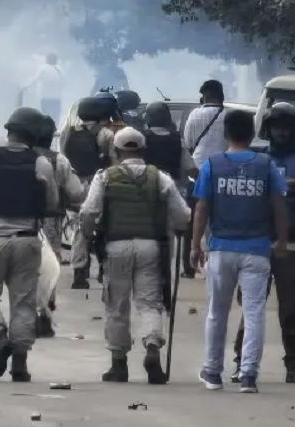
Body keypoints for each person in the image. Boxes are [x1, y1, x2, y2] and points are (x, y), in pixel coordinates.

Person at [79, 127, 190, 385]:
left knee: (116, 305)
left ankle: (119, 364)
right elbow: (183, 215)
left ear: (116, 151)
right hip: (151, 247)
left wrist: (88, 234)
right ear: (143, 150)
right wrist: (177, 227)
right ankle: (152, 347)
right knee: (150, 303)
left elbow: (88, 211)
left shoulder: (104, 177)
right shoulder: (159, 178)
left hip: (115, 247)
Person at [190, 109, 289, 393]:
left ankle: (212, 372)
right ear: (253, 134)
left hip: (221, 248)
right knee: (254, 312)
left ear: (226, 134)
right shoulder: (266, 165)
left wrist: (195, 246)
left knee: (217, 312)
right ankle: (248, 376)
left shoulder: (212, 165)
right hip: (257, 249)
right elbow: (279, 206)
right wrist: (281, 241)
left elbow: (201, 209)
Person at [0, 107, 60, 382]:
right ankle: (20, 363)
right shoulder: (41, 163)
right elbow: (52, 201)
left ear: (9, 131)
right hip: (28, 239)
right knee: (23, 302)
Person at [232, 102, 295, 384]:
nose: (282, 132)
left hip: (290, 247)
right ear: (268, 129)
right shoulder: (256, 160)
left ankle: (293, 364)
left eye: (287, 127)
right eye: (277, 127)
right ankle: (241, 361)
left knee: (291, 309)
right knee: (251, 307)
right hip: (256, 245)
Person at [32, 114, 84, 338]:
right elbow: (76, 192)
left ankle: (26, 314)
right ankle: (44, 313)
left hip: (20, 222)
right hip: (50, 221)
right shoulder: (59, 161)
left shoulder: (18, 157)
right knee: (49, 267)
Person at [61, 95, 115, 289]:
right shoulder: (105, 134)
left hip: (75, 185)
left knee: (79, 230)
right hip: (98, 184)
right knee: (103, 229)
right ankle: (103, 269)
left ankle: (79, 272)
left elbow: (64, 157)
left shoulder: (68, 132)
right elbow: (113, 161)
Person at [141, 101, 199, 278]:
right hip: (172, 192)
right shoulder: (177, 141)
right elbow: (191, 168)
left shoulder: (143, 139)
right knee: (172, 231)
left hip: (145, 192)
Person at [184, 79, 228, 169]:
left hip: (198, 165)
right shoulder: (228, 115)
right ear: (222, 96)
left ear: (204, 97)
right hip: (222, 166)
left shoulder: (194, 114)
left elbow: (188, 143)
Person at [22, 53, 64, 123]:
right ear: (56, 60)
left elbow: (34, 80)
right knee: (56, 116)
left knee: (45, 116)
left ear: (47, 60)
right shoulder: (60, 70)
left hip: (45, 97)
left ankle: (47, 128)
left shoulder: (43, 69)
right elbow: (65, 82)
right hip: (57, 98)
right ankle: (55, 128)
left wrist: (25, 86)